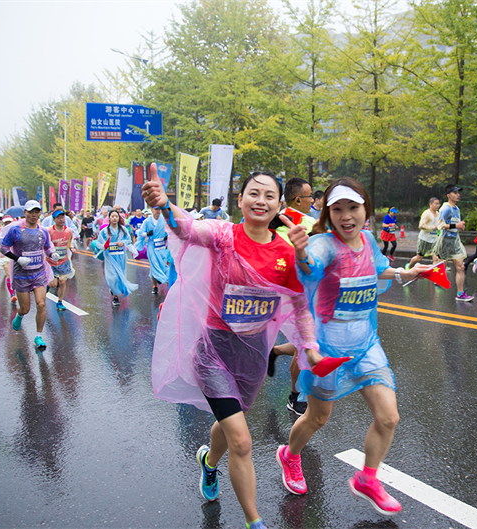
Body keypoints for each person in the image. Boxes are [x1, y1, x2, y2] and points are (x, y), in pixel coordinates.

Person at [143, 165, 318, 529]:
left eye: (270, 195)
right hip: (214, 352)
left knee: (226, 429)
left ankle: (208, 461)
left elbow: (300, 305)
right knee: (241, 440)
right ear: (240, 200)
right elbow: (188, 229)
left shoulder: (286, 252)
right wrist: (166, 207)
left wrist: (310, 346)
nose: (261, 200)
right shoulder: (223, 235)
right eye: (253, 193)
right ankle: (255, 522)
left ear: (279, 206)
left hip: (252, 356)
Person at [276, 177, 433, 515]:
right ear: (328, 214)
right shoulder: (323, 245)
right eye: (338, 209)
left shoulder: (368, 239)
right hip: (328, 349)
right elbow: (309, 267)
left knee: (389, 417)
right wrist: (301, 251)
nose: (346, 216)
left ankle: (368, 478)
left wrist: (408, 272)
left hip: (365, 343)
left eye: (353, 207)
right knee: (318, 418)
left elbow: (379, 268)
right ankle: (289, 455)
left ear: (365, 209)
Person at [273, 177, 317, 415]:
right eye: (310, 196)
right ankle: (295, 395)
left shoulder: (271, 220)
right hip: (295, 296)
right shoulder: (308, 222)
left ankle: (276, 351)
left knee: (306, 342)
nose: (313, 200)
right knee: (306, 343)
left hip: (289, 295)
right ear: (298, 199)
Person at [0, 200, 60, 350]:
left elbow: (47, 248)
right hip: (21, 275)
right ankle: (19, 315)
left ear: (40, 213)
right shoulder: (15, 230)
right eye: (30, 212)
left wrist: (52, 254)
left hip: (39, 273)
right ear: (24, 213)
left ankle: (38, 336)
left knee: (41, 304)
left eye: (37, 211)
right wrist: (17, 259)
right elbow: (3, 248)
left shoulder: (43, 231)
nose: (34, 215)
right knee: (25, 308)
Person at [432, 184, 473, 301]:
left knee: (460, 267)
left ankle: (460, 294)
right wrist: (456, 225)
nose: (458, 195)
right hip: (445, 241)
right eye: (455, 193)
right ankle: (423, 274)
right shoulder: (445, 209)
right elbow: (440, 225)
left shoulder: (457, 209)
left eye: (458, 193)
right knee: (441, 265)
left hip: (455, 241)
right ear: (448, 195)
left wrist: (460, 226)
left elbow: (455, 224)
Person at [94, 210, 138, 306]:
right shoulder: (105, 231)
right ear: (109, 218)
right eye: (112, 216)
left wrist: (123, 243)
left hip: (121, 256)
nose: (114, 218)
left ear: (119, 218)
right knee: (112, 277)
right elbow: (99, 243)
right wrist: (104, 246)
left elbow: (128, 240)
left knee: (120, 276)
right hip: (110, 257)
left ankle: (114, 291)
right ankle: (115, 297)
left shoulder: (123, 229)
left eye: (116, 216)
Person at [46, 210, 75, 311]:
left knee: (62, 282)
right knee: (53, 284)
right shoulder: (49, 231)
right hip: (51, 262)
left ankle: (60, 301)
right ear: (54, 220)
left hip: (64, 261)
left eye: (62, 217)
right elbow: (45, 245)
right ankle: (46, 287)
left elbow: (70, 242)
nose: (61, 220)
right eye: (58, 218)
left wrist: (71, 248)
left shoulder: (68, 231)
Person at [137, 206, 170, 295]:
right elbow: (140, 233)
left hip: (162, 246)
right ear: (151, 210)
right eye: (156, 209)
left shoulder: (164, 220)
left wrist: (167, 236)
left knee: (162, 265)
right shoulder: (147, 221)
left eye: (159, 209)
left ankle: (159, 280)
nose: (158, 211)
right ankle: (158, 285)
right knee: (154, 265)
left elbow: (169, 229)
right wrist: (146, 234)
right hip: (152, 246)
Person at [406, 197, 442, 269]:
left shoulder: (438, 214)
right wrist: (433, 227)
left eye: (439, 204)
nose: (438, 205)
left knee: (436, 258)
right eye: (436, 204)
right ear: (430, 204)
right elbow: (421, 226)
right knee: (419, 257)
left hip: (434, 239)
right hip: (425, 239)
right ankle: (409, 265)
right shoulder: (427, 214)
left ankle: (434, 274)